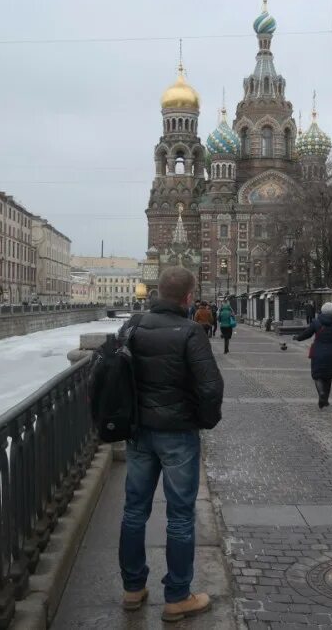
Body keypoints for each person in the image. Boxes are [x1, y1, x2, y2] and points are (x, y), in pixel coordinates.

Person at [118, 266, 223, 622]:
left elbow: (114, 372)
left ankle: (133, 589)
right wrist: (203, 420)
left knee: (134, 510)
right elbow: (210, 386)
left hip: (138, 432)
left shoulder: (132, 325)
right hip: (178, 433)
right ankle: (177, 596)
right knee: (179, 515)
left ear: (156, 292)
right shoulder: (191, 331)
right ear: (189, 297)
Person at [294, 302, 332, 409]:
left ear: (322, 310)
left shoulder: (316, 322)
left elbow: (307, 333)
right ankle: (325, 399)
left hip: (318, 351)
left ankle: (321, 393)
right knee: (328, 376)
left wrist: (298, 337)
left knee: (317, 375)